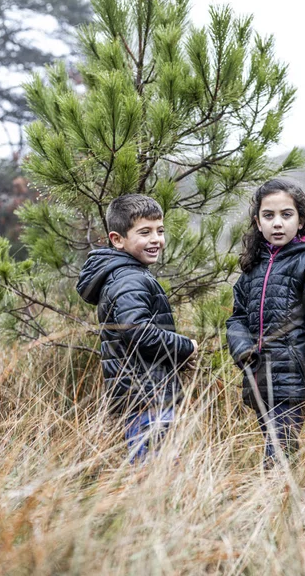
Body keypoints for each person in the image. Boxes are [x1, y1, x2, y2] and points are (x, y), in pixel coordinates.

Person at [226, 179, 305, 466]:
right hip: (259, 379)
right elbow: (238, 318)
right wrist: (243, 348)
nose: (277, 223)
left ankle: (276, 504)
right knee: (278, 451)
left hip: (294, 379)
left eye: (286, 214)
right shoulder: (253, 267)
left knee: (277, 457)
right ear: (257, 222)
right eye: (269, 216)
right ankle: (286, 505)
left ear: (301, 219)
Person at [77, 194, 198, 462]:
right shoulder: (130, 279)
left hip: (142, 392)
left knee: (155, 470)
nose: (155, 239)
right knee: (153, 472)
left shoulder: (127, 274)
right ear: (117, 239)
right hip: (146, 395)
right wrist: (186, 346)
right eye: (145, 232)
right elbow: (138, 331)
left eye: (160, 231)